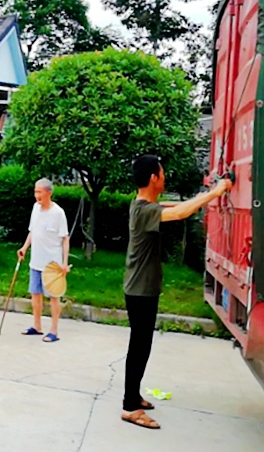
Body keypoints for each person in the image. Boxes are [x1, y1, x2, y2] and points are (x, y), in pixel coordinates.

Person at [121, 155, 232, 430]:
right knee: (139, 348)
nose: (165, 177)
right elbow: (180, 213)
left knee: (141, 346)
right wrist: (217, 191)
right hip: (140, 291)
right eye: (162, 173)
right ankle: (130, 407)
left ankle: (133, 395)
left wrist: (207, 195)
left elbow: (178, 207)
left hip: (141, 288)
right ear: (153, 178)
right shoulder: (145, 211)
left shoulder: (142, 205)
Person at [17, 178, 71, 343]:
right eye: (35, 192)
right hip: (36, 261)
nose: (37, 195)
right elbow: (32, 231)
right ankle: (37, 326)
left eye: (39, 192)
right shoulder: (36, 209)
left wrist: (64, 262)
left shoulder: (58, 213)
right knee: (35, 294)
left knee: (53, 296)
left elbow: (65, 239)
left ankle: (54, 331)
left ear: (49, 193)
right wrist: (24, 248)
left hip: (52, 264)